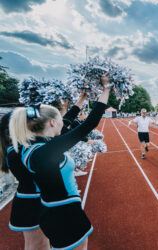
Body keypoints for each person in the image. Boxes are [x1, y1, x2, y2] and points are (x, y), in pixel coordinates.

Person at [9, 74, 111, 250]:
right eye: (58, 122)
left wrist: (83, 97)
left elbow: (68, 119)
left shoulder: (31, 146)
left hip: (50, 211)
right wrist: (106, 88)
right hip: (65, 215)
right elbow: (89, 123)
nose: (62, 125)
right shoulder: (48, 151)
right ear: (51, 123)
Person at [0, 112, 50, 250]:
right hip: (31, 203)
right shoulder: (21, 150)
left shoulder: (18, 148)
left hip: (31, 200)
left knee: (40, 244)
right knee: (38, 245)